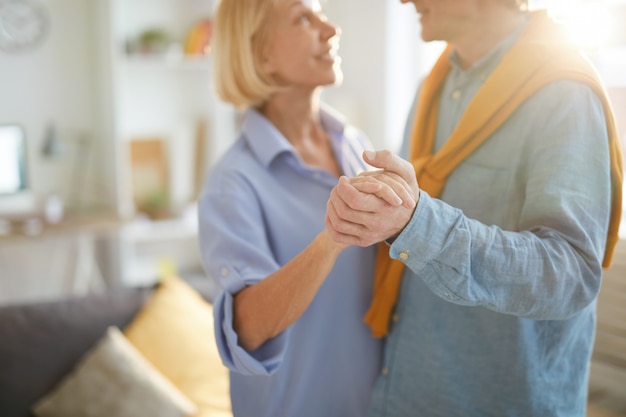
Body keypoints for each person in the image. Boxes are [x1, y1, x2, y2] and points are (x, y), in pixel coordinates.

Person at [325, 0, 624, 416]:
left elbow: (571, 274)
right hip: (406, 392)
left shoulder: (565, 95)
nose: (404, 1)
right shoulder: (432, 85)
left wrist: (419, 223)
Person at [196, 0, 406, 416]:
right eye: (304, 18)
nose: (332, 30)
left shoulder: (354, 144)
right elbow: (248, 328)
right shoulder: (233, 183)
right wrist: (332, 238)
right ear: (261, 54)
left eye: (322, 14)